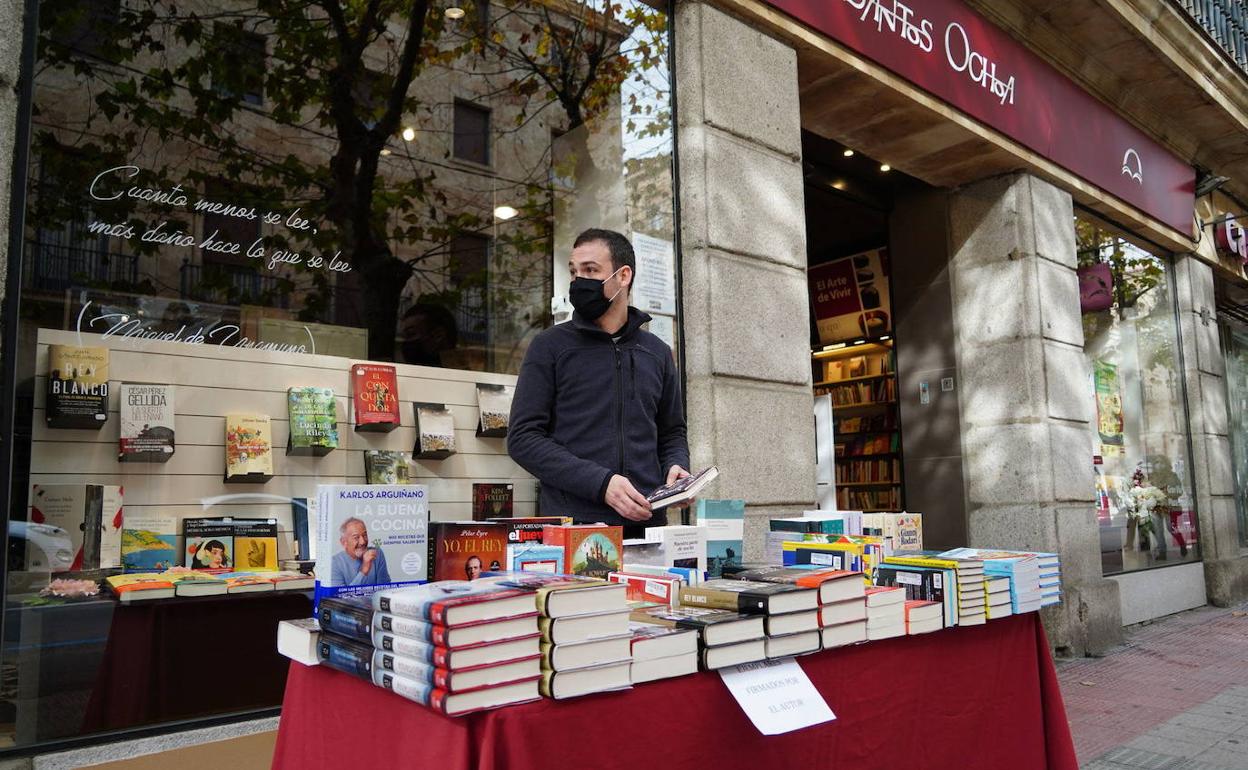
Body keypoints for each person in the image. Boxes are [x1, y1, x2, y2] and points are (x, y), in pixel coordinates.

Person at [508, 228, 691, 537]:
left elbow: (672, 431)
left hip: (648, 527)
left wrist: (677, 466)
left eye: (591, 270)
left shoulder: (657, 353)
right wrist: (602, 484)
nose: (579, 281)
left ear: (623, 276)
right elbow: (523, 438)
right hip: (574, 528)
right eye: (574, 272)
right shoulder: (550, 346)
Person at [331, 517, 391, 586]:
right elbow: (339, 595)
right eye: (356, 537)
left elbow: (385, 588)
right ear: (344, 542)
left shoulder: (377, 554)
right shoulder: (335, 563)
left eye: (365, 535)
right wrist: (363, 571)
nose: (362, 542)